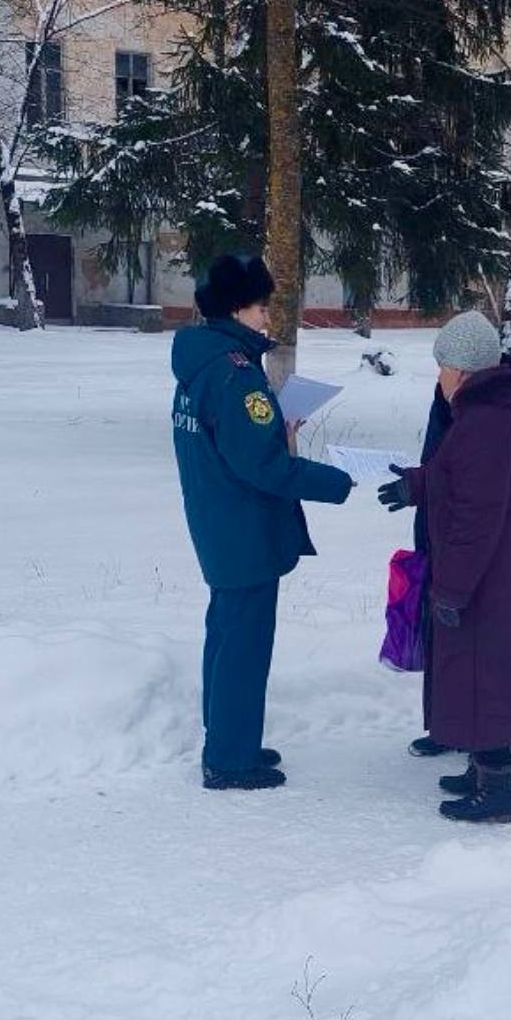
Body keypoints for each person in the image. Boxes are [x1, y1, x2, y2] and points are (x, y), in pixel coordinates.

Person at [172, 254, 354, 790]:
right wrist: (335, 482)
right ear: (236, 308)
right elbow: (262, 467)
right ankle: (230, 760)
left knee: (226, 637)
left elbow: (230, 447)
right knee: (243, 647)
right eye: (260, 306)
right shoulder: (235, 376)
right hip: (243, 530)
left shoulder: (201, 364)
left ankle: (230, 738)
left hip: (218, 523)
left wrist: (278, 430)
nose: (268, 317)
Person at [378, 312, 511, 823]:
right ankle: (482, 770)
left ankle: (498, 791)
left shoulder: (487, 423)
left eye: (442, 366)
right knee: (481, 671)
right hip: (499, 572)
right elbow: (462, 479)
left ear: (463, 369)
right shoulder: (486, 416)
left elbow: (477, 517)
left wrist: (451, 590)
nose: (439, 377)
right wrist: (417, 485)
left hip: (489, 577)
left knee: (490, 674)